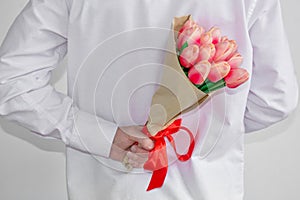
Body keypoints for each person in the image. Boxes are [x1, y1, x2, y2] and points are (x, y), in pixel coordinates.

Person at [0, 0, 298, 199]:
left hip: (107, 189)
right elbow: (276, 99)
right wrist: (207, 134)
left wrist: (102, 136)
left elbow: (11, 81)